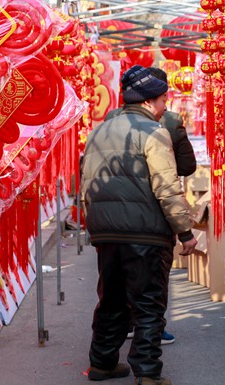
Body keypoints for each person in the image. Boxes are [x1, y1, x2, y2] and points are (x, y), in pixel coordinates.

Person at [82, 65, 197, 385]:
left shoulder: (99, 131)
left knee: (111, 299)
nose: (165, 107)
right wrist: (184, 231)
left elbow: (85, 181)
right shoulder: (153, 132)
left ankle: (102, 363)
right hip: (145, 233)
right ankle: (147, 372)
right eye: (162, 100)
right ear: (148, 101)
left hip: (105, 232)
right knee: (147, 302)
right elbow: (167, 186)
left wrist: (94, 223)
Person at [107, 67, 195, 346]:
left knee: (115, 281)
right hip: (150, 217)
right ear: (154, 96)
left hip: (110, 217)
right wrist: (184, 232)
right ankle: (151, 335)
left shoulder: (109, 120)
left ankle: (122, 332)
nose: (165, 103)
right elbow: (183, 170)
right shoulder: (167, 122)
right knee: (153, 279)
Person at [104, 67, 197, 178]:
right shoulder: (169, 123)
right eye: (163, 99)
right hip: (150, 191)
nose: (165, 105)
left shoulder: (110, 118)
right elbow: (186, 167)